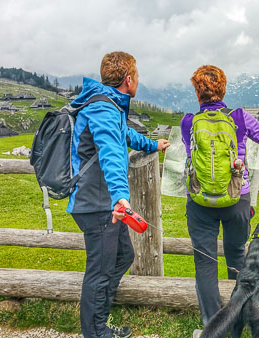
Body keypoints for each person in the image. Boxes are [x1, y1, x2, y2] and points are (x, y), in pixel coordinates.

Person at [67, 51, 170, 338]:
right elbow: (112, 152)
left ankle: (98, 322)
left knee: (123, 256)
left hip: (99, 202)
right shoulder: (104, 109)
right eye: (137, 76)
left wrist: (152, 144)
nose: (139, 80)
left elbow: (123, 136)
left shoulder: (109, 105)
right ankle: (96, 331)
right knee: (100, 271)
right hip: (98, 205)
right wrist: (121, 197)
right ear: (129, 79)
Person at [181, 65, 259, 328]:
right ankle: (236, 320)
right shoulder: (240, 117)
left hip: (200, 200)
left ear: (197, 92)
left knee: (205, 262)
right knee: (237, 254)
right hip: (238, 197)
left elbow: (191, 154)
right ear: (223, 89)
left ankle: (212, 326)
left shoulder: (188, 121)